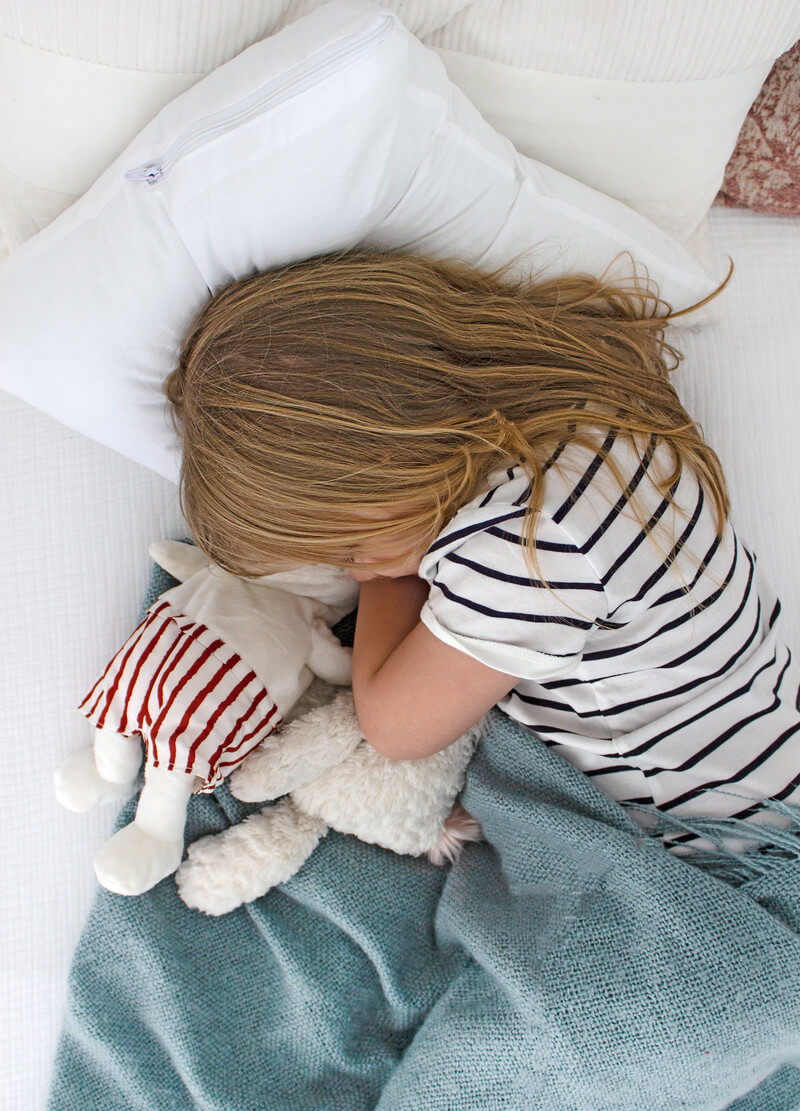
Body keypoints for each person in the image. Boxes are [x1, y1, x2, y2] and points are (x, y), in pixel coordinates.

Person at [164, 249, 799, 859]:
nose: (356, 572)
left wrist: (389, 582)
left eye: (349, 547)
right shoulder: (584, 400)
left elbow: (395, 726)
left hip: (708, 835)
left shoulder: (532, 538)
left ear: (387, 463)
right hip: (767, 729)